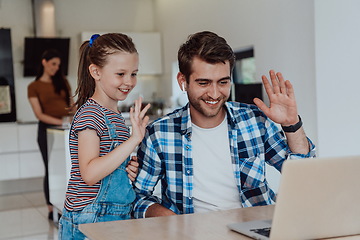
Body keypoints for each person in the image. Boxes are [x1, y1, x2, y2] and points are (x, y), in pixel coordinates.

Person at [133, 31, 316, 218]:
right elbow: (139, 198)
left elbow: (302, 176)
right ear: (183, 81)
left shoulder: (255, 120)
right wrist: (174, 222)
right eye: (203, 83)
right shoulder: (159, 133)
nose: (214, 94)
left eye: (223, 82)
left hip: (256, 226)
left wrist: (291, 124)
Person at [58, 33, 150, 240]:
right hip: (90, 220)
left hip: (113, 217)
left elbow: (108, 165)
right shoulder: (91, 114)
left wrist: (125, 170)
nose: (129, 81)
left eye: (133, 74)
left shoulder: (114, 115)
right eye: (120, 74)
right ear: (95, 72)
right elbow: (90, 173)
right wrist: (133, 140)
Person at [28, 49, 74, 220]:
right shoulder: (34, 87)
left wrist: (72, 120)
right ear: (44, 62)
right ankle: (51, 206)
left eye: (58, 65)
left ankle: (68, 203)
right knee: (51, 168)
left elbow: (71, 106)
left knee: (68, 168)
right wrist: (62, 122)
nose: (56, 68)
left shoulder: (63, 82)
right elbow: (39, 114)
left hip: (66, 130)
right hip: (47, 130)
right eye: (53, 64)